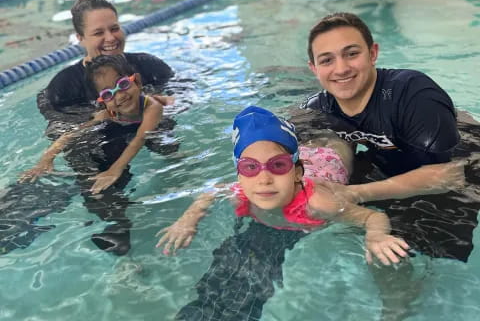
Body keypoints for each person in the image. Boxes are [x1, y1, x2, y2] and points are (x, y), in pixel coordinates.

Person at [157, 105, 413, 266]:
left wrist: (376, 236)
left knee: (338, 137)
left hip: (326, 155)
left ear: (296, 173)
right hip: (298, 153)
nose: (264, 179)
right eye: (250, 167)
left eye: (277, 166)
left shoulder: (318, 204)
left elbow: (373, 217)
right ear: (239, 176)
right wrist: (187, 220)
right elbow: (210, 192)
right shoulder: (240, 194)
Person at [303, 11, 460, 181]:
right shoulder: (318, 109)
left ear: (372, 53)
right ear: (314, 69)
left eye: (352, 54)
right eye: (327, 60)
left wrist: (352, 195)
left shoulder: (413, 94)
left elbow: (449, 174)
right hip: (388, 163)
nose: (341, 69)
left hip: (466, 167)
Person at [22, 54, 172, 193]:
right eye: (108, 94)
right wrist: (47, 159)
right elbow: (72, 134)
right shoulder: (107, 114)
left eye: (123, 84)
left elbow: (140, 138)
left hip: (151, 125)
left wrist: (115, 170)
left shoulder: (152, 108)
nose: (120, 96)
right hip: (123, 126)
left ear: (137, 81)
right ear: (102, 102)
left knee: (166, 147)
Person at [37, 0, 174, 136]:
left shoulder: (150, 66)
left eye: (114, 29)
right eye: (98, 33)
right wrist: (95, 118)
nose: (110, 38)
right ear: (81, 38)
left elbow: (183, 98)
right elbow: (59, 131)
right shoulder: (64, 86)